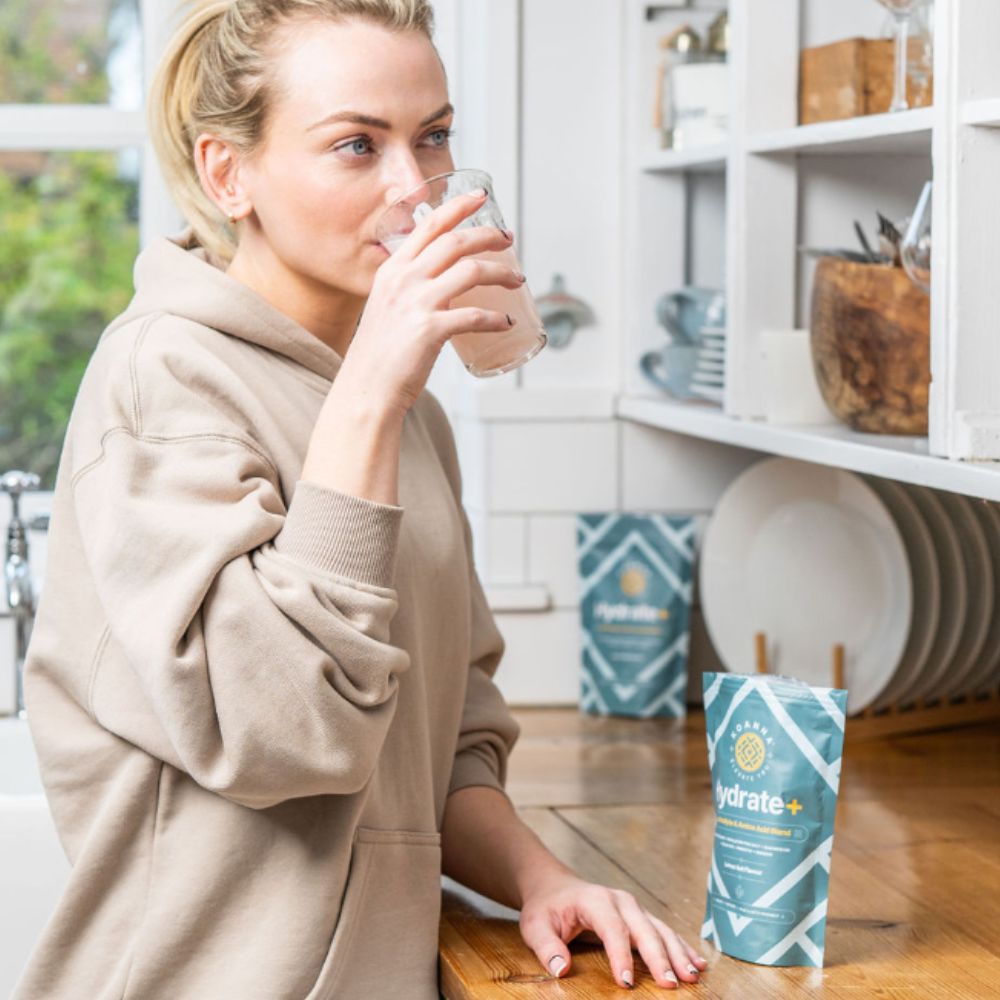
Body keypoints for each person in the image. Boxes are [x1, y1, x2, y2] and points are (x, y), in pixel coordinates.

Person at [13, 1, 708, 997]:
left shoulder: (405, 405)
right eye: (355, 145)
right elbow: (288, 735)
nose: (414, 190)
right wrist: (376, 383)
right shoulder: (163, 379)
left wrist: (542, 878)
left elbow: (446, 733)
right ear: (228, 173)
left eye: (433, 137)